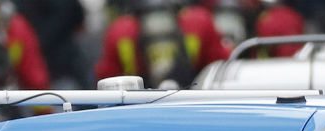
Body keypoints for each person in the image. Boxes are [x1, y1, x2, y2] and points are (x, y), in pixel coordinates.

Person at [94, 0, 230, 88]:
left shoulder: (119, 31)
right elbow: (223, 70)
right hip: (190, 103)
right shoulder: (199, 22)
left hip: (137, 109)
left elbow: (106, 80)